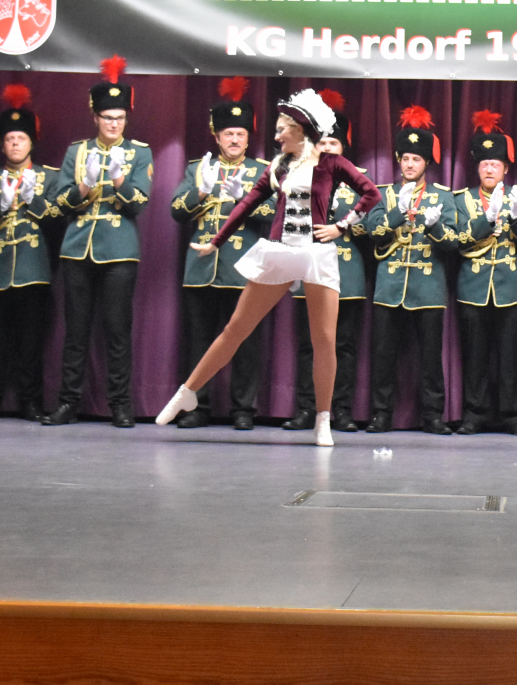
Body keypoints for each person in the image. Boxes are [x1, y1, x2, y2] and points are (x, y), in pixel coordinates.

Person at [158, 89, 382, 447]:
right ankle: (187, 392)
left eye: (282, 130)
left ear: (300, 130)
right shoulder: (278, 166)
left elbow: (372, 193)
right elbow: (247, 203)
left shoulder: (332, 163)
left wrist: (342, 226)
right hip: (279, 251)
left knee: (324, 340)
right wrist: (217, 241)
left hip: (316, 254)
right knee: (235, 328)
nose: (276, 136)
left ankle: (323, 418)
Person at [45, 56, 153, 428]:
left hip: (120, 251)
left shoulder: (139, 152)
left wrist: (120, 181)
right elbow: (60, 202)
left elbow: (139, 204)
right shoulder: (77, 151)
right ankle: (67, 403)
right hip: (78, 248)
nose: (114, 124)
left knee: (117, 331)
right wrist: (85, 185)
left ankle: (120, 404)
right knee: (75, 332)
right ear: (95, 117)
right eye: (108, 117)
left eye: (120, 118)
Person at [170, 76, 273, 429]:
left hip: (243, 268)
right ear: (217, 136)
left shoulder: (263, 171)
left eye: (240, 134)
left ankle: (243, 409)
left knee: (244, 341)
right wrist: (200, 192)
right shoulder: (197, 168)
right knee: (199, 342)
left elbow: (274, 214)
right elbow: (176, 211)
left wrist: (242, 200)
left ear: (248, 137)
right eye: (228, 134)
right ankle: (197, 407)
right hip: (202, 266)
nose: (234, 140)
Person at [0, 84, 60, 420]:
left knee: (31, 344)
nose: (16, 144)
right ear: (1, 143)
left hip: (33, 270)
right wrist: (0, 207)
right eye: (10, 139)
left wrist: (34, 202)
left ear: (32, 142)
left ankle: (30, 401)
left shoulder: (50, 177)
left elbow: (58, 218)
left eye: (21, 138)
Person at [361, 106, 455, 433]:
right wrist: (397, 214)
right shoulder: (382, 194)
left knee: (430, 357)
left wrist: (434, 227)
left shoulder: (442, 197)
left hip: (428, 288)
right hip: (390, 286)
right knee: (383, 355)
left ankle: (433, 415)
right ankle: (381, 413)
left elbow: (453, 242)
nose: (410, 164)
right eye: (405, 158)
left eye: (416, 159)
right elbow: (373, 231)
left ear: (427, 162)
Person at [284, 90, 369, 432]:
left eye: (335, 144)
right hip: (310, 268)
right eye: (323, 143)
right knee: (309, 345)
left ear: (343, 148)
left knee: (343, 346)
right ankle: (307, 409)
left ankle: (341, 411)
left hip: (346, 272)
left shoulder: (358, 178)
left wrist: (344, 223)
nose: (328, 149)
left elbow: (376, 224)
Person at [447, 109, 517, 435]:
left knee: (511, 356)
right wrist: (486, 220)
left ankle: (513, 415)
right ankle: (475, 413)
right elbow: (458, 238)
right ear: (477, 168)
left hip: (510, 286)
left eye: (495, 164)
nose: (488, 169)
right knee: (475, 355)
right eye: (484, 164)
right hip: (473, 284)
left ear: (505, 168)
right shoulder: (462, 199)